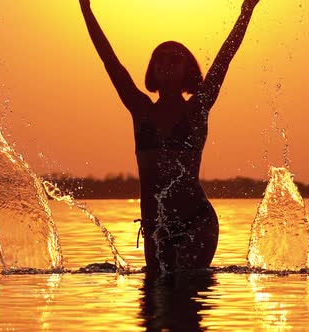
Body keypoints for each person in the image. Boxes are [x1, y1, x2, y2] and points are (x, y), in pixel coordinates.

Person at [79, 0, 260, 273]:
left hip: (196, 221)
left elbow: (226, 57)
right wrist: (86, 10)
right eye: (159, 58)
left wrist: (246, 11)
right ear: (151, 69)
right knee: (153, 299)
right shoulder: (140, 110)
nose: (166, 63)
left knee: (185, 290)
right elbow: (110, 61)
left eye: (175, 59)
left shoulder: (197, 109)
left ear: (188, 70)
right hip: (154, 225)